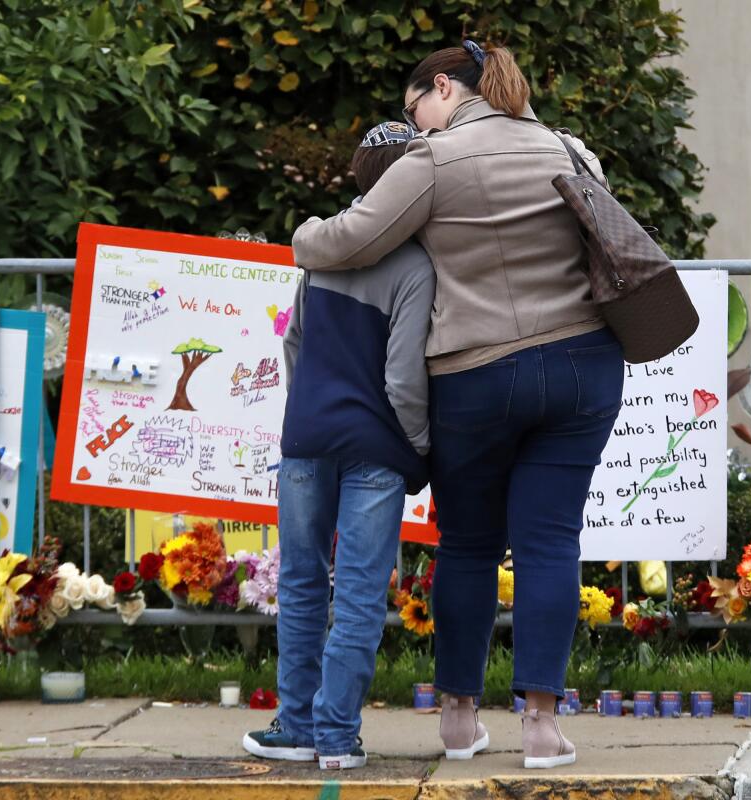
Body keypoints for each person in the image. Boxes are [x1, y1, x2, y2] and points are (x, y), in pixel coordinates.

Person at [291, 41, 623, 769]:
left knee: (469, 544)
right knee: (549, 542)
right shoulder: (570, 149)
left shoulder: (433, 162)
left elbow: (351, 240)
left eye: (417, 111)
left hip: (475, 375)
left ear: (444, 86)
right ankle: (540, 728)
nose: (418, 128)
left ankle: (459, 719)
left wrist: (300, 236)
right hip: (582, 366)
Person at [243, 121, 435, 771]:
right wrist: (419, 449)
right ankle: (336, 735)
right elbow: (405, 377)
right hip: (375, 448)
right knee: (356, 592)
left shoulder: (319, 250)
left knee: (300, 582)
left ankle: (294, 725)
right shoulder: (414, 265)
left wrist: (307, 409)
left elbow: (293, 342)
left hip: (306, 438)